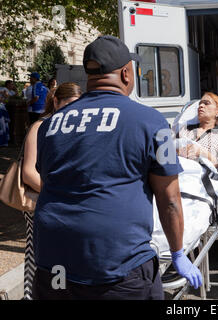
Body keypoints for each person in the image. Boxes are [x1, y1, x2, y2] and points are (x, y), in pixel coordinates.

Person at [32, 35, 202, 300]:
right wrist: (178, 253)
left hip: (54, 263)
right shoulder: (152, 123)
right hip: (116, 266)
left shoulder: (50, 125)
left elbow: (48, 182)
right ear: (126, 73)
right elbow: (169, 200)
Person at [21, 82, 82, 300]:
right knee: (37, 254)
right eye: (68, 105)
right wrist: (57, 192)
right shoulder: (41, 126)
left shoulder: (72, 125)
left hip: (60, 203)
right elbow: (28, 172)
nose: (72, 112)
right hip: (40, 201)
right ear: (56, 102)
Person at [176, 92, 218, 174]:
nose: (201, 106)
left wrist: (202, 153)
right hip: (178, 173)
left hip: (201, 178)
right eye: (200, 104)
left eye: (207, 103)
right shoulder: (184, 129)